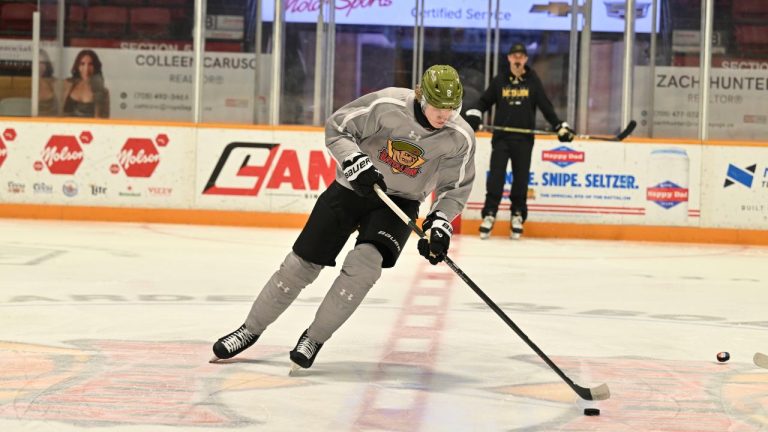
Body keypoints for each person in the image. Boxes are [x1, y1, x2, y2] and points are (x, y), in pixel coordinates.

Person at [211, 65, 476, 371]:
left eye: (451, 109)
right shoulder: (387, 104)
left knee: (364, 268)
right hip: (352, 189)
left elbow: (454, 188)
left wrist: (440, 224)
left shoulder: (460, 138)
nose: (444, 116)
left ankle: (314, 338)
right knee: (300, 266)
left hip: (399, 203)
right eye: (438, 107)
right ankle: (250, 329)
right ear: (422, 96)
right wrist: (355, 160)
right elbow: (338, 127)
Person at [463, 42, 574, 240]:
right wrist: (475, 115)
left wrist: (560, 126)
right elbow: (483, 102)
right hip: (502, 139)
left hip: (523, 140)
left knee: (521, 179)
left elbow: (546, 107)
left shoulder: (532, 81)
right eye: (514, 56)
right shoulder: (500, 80)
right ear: (509, 58)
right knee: (496, 177)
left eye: (521, 56)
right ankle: (489, 214)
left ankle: (517, 215)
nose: (517, 59)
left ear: (525, 59)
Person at [62, 49, 110, 118]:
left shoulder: (103, 92)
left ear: (95, 67)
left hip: (90, 128)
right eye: (82, 64)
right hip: (65, 127)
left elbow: (103, 121)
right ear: (77, 66)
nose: (86, 69)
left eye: (90, 64)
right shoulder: (67, 84)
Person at [38, 49, 58, 117]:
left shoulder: (55, 82)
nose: (39, 66)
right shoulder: (25, 82)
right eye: (37, 62)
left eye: (42, 62)